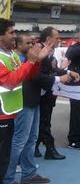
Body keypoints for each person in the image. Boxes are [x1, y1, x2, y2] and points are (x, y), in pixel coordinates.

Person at [0, 19, 63, 182]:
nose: (14, 35)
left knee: (30, 140)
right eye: (11, 32)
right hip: (10, 109)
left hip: (21, 103)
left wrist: (36, 61)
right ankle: (8, 178)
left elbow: (27, 74)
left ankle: (27, 174)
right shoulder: (4, 56)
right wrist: (33, 61)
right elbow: (11, 80)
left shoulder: (12, 54)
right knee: (16, 144)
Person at [36, 27, 77, 160]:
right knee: (44, 122)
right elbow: (40, 75)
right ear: (48, 39)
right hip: (37, 94)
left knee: (42, 122)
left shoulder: (49, 52)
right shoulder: (38, 50)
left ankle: (35, 147)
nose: (59, 40)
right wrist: (59, 78)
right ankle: (50, 148)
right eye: (57, 38)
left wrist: (69, 72)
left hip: (46, 94)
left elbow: (54, 70)